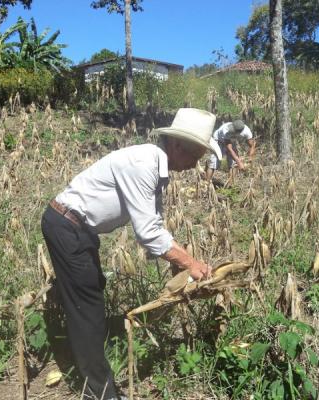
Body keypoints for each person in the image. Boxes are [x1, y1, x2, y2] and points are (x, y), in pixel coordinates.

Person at [41, 108, 222, 400]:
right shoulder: (143, 164)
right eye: (194, 157)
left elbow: (156, 224)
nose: (195, 165)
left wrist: (181, 263)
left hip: (80, 229)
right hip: (66, 226)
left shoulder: (157, 168)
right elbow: (147, 233)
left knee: (91, 294)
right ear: (177, 146)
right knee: (86, 309)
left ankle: (83, 343)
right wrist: (190, 263)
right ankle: (101, 393)